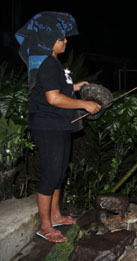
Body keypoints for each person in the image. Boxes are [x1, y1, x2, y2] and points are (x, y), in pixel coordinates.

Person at [15, 12, 101, 242]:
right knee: (51, 174)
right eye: (61, 38)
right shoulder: (47, 64)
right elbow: (53, 99)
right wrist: (85, 103)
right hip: (48, 125)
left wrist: (75, 87)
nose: (65, 41)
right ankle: (45, 226)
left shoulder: (52, 63)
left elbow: (56, 91)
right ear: (49, 40)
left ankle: (55, 215)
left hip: (59, 124)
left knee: (60, 173)